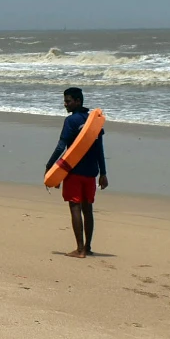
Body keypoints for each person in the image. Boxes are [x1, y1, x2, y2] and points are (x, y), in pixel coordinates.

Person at [45, 87, 108, 258]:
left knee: (75, 207)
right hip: (91, 172)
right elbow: (99, 149)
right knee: (88, 209)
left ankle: (79, 249)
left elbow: (61, 146)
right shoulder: (93, 121)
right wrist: (103, 173)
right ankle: (87, 247)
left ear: (78, 101)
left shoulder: (71, 121)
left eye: (68, 101)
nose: (65, 104)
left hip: (73, 171)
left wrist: (50, 165)